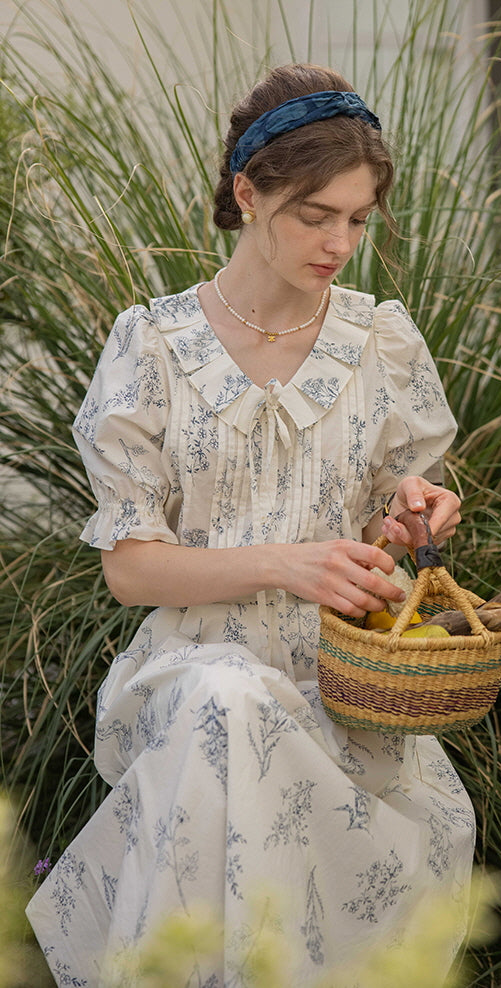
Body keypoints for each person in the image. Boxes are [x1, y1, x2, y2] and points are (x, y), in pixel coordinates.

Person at [26, 63, 475, 986]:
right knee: (223, 702)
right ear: (247, 192)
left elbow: (404, 500)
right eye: (315, 215)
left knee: (232, 719)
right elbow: (133, 571)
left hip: (346, 681)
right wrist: (287, 564)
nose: (339, 241)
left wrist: (418, 513)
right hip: (189, 668)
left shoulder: (380, 340)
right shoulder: (151, 346)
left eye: (357, 218)